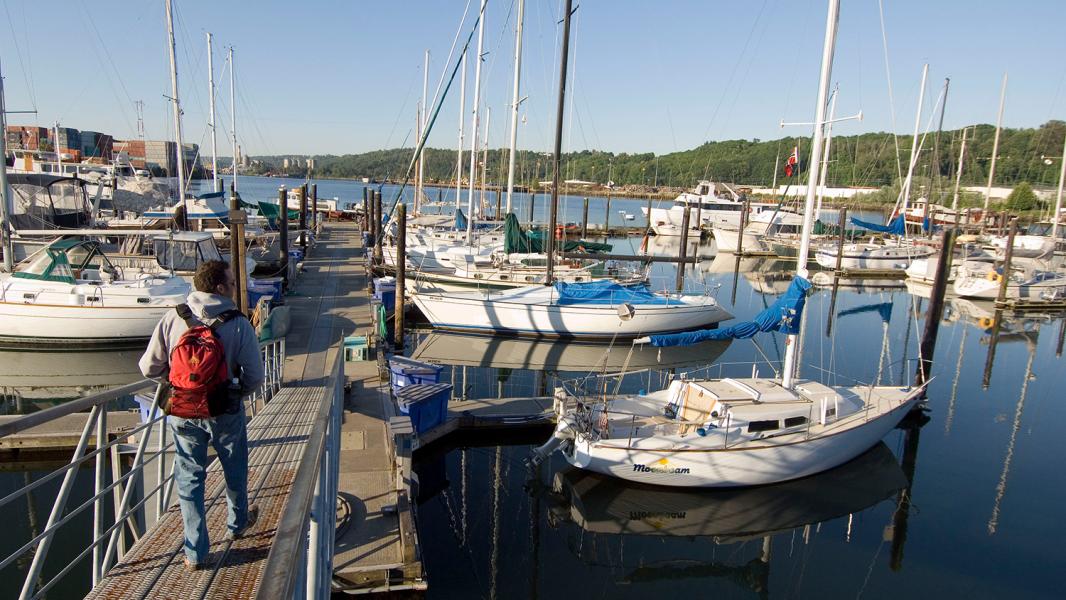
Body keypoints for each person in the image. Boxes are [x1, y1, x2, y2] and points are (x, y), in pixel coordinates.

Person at [139, 260, 264, 569]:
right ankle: (236, 525)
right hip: (225, 410)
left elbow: (148, 368)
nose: (236, 287)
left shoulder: (174, 317)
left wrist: (180, 384)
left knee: (190, 477)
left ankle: (195, 552)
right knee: (234, 468)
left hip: (182, 410)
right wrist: (236, 393)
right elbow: (256, 377)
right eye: (233, 283)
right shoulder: (238, 323)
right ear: (220, 288)